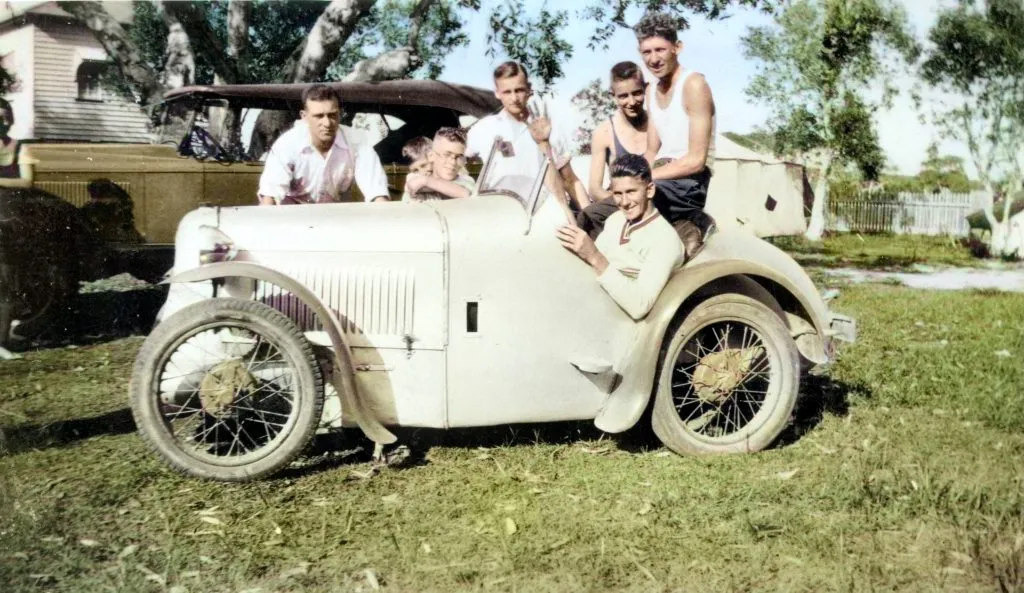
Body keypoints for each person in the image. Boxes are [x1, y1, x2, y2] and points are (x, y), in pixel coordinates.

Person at [556, 154, 684, 321]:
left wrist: (594, 256)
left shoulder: (664, 239)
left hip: (620, 319)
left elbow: (639, 305)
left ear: (650, 190)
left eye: (631, 192)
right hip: (595, 302)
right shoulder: (616, 219)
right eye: (617, 193)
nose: (624, 202)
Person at [635, 12, 717, 248]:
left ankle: (691, 222)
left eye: (660, 49)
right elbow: (651, 151)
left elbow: (696, 161)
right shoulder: (650, 91)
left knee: (627, 203)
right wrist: (630, 179)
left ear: (677, 47)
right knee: (600, 209)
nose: (653, 59)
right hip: (660, 176)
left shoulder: (694, 84)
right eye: (646, 52)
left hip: (689, 181)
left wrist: (643, 181)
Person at [466, 61, 590, 214]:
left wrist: (591, 218)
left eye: (519, 90)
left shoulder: (548, 128)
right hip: (498, 214)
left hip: (544, 215)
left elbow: (570, 180)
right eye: (507, 92)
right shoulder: (483, 129)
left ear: (529, 89)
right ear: (497, 93)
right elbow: (458, 165)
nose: (514, 98)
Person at [257, 84, 390, 205]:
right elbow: (270, 196)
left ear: (340, 114)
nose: (327, 123)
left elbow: (377, 192)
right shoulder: (287, 144)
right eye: (319, 116)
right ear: (304, 116)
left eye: (332, 115)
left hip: (335, 217)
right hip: (292, 219)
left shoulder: (357, 141)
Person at [577, 61, 650, 238]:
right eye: (623, 96)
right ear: (613, 95)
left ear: (646, 89)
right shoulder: (604, 132)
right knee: (587, 217)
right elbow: (594, 188)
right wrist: (625, 203)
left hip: (653, 202)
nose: (631, 102)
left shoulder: (658, 124)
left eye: (637, 93)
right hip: (620, 205)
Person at [0, 98, 33, 186]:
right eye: (0, 119)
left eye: (8, 118)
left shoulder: (21, 148)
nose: (6, 123)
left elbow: (27, 182)